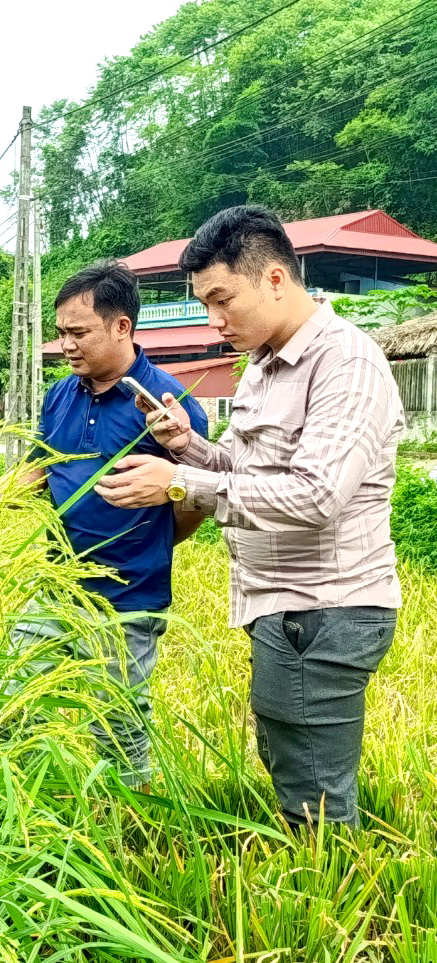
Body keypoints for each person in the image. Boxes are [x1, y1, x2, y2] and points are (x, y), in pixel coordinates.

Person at [97, 205, 404, 828]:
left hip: (328, 606)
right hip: (281, 605)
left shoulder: (346, 362)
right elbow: (245, 471)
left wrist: (179, 483)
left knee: (311, 788)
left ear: (273, 279)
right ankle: (319, 876)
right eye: (204, 304)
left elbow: (317, 495)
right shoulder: (265, 363)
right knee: (290, 756)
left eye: (221, 300)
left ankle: (327, 895)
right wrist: (188, 445)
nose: (213, 321)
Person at [0, 260, 209, 787]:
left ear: (122, 327)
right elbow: (45, 472)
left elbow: (197, 500)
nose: (66, 345)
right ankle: (20, 809)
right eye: (61, 334)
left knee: (118, 722)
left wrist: (149, 545)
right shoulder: (61, 394)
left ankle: (131, 821)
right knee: (13, 699)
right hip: (57, 584)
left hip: (130, 597)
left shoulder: (168, 405)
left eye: (79, 332)